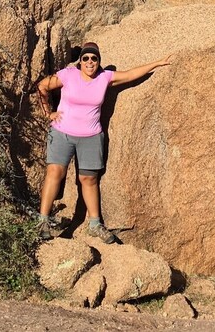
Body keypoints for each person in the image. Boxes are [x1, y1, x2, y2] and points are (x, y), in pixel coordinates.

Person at [36, 41, 171, 243]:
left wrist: (158, 63)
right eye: (86, 58)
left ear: (98, 61)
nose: (90, 62)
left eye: (94, 58)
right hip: (62, 133)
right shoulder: (68, 75)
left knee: (89, 179)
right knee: (55, 172)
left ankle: (94, 224)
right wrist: (48, 113)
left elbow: (131, 74)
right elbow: (43, 86)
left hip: (90, 136)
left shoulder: (104, 77)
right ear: (80, 61)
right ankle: (43, 221)